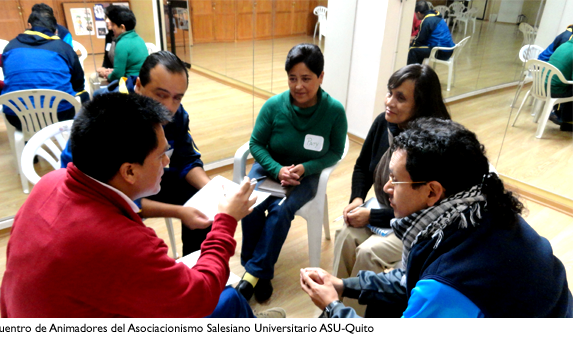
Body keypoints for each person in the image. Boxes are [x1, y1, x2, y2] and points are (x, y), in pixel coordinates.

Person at [0, 92, 285, 318]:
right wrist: (226, 220)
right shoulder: (120, 242)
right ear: (129, 171)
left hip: (26, 313)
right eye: (161, 155)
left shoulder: (52, 182)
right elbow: (199, 297)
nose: (167, 163)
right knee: (229, 298)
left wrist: (180, 212)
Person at [301, 118, 573, 318]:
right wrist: (342, 285)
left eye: (395, 180)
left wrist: (332, 307)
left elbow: (432, 285)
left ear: (432, 192)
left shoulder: (448, 284)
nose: (386, 188)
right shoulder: (482, 209)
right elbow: (409, 277)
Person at [61, 51, 213, 256]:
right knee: (134, 246)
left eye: (177, 98)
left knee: (201, 202)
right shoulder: (105, 116)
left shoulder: (177, 115)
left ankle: (195, 268)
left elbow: (187, 159)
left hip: (140, 178)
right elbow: (104, 194)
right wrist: (179, 212)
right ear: (139, 85)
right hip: (99, 196)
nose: (169, 107)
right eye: (160, 95)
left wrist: (213, 190)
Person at [332, 64, 450, 316]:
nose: (389, 102)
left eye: (400, 97)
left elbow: (426, 209)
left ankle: (352, 320)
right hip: (387, 208)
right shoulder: (383, 123)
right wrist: (356, 199)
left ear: (421, 105)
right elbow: (362, 166)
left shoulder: (434, 146)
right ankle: (334, 304)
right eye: (390, 93)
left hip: (420, 224)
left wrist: (371, 216)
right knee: (344, 233)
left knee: (368, 253)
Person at [235, 43, 348, 303]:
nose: (298, 86)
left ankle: (251, 276)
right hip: (270, 166)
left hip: (305, 174)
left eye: (306, 79)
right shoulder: (274, 106)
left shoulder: (333, 112)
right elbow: (256, 144)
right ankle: (259, 273)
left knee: (280, 210)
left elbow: (335, 152)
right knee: (249, 202)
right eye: (292, 78)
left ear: (321, 77)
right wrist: (277, 169)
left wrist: (306, 167)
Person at [1, 10, 87, 130]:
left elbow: (7, 76)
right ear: (56, 31)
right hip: (60, 114)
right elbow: (78, 83)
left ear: (29, 26)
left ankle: (27, 143)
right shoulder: (63, 47)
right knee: (83, 94)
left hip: (17, 117)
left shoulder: (10, 47)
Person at [104, 7, 147, 84]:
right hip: (142, 81)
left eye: (113, 25)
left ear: (122, 27)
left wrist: (108, 76)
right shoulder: (139, 39)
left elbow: (118, 75)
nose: (112, 28)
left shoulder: (122, 43)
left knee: (97, 93)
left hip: (130, 82)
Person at [408, 1, 454, 65]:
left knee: (412, 50)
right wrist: (412, 39)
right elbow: (423, 37)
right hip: (448, 50)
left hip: (441, 52)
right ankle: (419, 70)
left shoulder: (427, 21)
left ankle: (413, 72)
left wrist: (409, 42)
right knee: (418, 49)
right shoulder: (436, 15)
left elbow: (419, 42)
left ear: (418, 13)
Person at [547, 39, 573, 131]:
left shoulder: (564, 45)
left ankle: (565, 119)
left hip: (541, 86)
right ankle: (567, 122)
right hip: (555, 90)